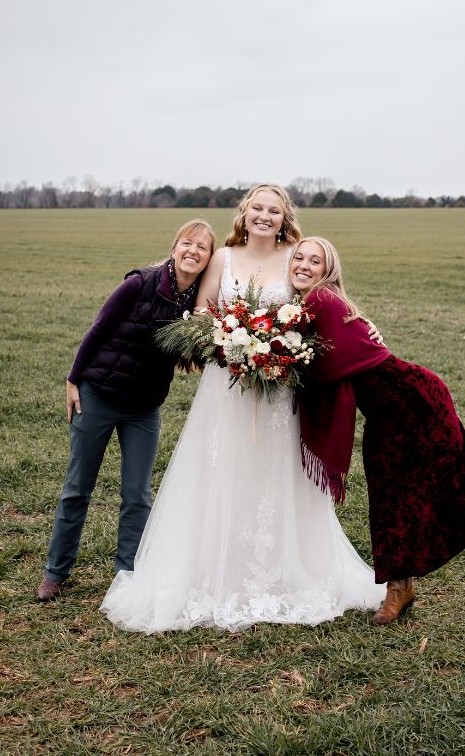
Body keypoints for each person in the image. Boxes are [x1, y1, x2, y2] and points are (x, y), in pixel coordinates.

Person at [100, 185, 386, 632]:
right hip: (226, 385)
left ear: (285, 216)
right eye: (258, 208)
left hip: (278, 390)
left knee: (274, 471)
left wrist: (336, 333)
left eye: (275, 210)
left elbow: (318, 305)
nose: (265, 216)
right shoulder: (224, 258)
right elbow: (200, 315)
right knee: (221, 469)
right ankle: (216, 570)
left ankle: (283, 569)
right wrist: (234, 344)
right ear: (244, 212)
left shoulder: (296, 256)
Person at [289, 237, 465, 625]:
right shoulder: (308, 308)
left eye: (315, 260)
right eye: (299, 257)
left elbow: (323, 369)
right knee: (390, 498)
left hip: (414, 402)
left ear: (328, 271)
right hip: (385, 415)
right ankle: (399, 589)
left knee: (452, 478)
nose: (305, 265)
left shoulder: (320, 301)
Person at [35, 219, 216, 602]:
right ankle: (55, 571)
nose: (193, 252)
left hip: (144, 409)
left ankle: (127, 573)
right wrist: (72, 380)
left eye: (202, 248)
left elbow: (198, 353)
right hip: (98, 396)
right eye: (187, 243)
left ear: (208, 260)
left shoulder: (198, 303)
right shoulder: (139, 283)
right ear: (174, 247)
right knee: (77, 488)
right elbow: (98, 329)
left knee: (137, 494)